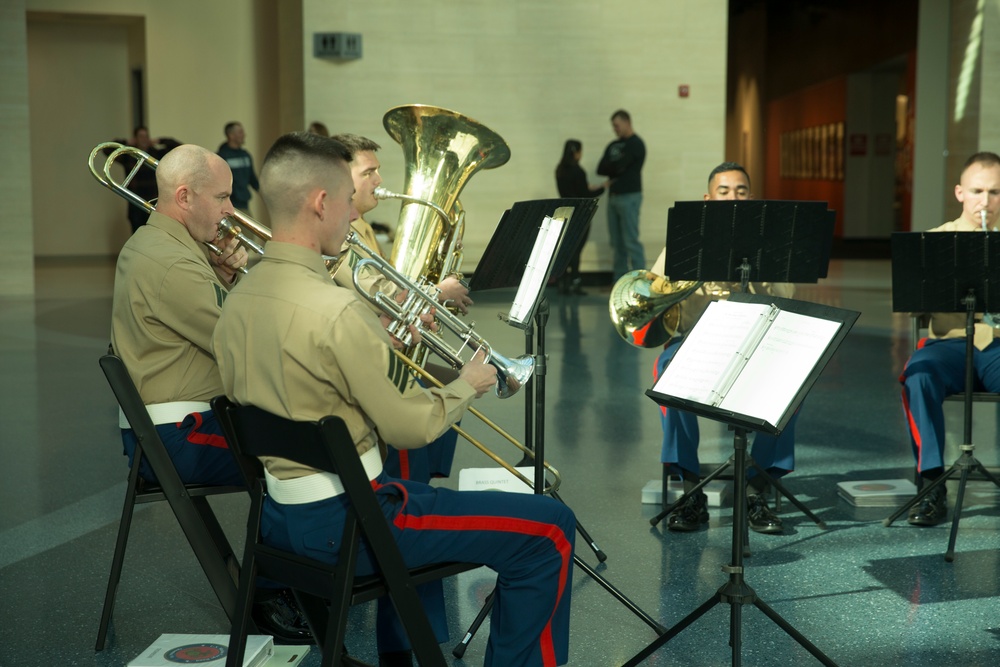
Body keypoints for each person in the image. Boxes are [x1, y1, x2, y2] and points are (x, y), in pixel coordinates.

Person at [212, 132, 576, 667]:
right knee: (549, 527)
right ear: (320, 203)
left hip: (276, 523)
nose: (352, 219)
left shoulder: (237, 298)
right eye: (346, 204)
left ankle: (403, 649)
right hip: (353, 524)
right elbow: (409, 427)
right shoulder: (337, 311)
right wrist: (466, 384)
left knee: (420, 488)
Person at [109, 144, 310, 643]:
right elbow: (242, 345)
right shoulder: (172, 263)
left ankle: (294, 583)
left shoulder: (167, 246)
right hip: (175, 436)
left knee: (302, 439)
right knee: (299, 455)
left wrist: (225, 275)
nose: (231, 210)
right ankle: (273, 594)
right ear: (183, 196)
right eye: (222, 198)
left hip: (182, 422)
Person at [649, 162, 796, 534]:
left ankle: (755, 489)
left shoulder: (768, 241)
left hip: (755, 344)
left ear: (751, 198)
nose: (733, 198)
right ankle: (689, 489)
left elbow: (789, 295)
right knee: (669, 372)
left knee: (793, 378)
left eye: (741, 192)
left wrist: (756, 274)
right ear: (708, 199)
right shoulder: (685, 238)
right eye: (725, 192)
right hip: (697, 343)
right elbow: (654, 292)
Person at [899, 151, 1000, 527]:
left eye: (994, 192)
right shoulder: (936, 241)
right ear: (960, 192)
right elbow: (911, 308)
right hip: (950, 345)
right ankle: (931, 485)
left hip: (999, 346)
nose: (985, 201)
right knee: (918, 376)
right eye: (977, 191)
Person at [597, 109, 646, 281]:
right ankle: (619, 282)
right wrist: (616, 166)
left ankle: (641, 283)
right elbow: (601, 168)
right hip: (613, 197)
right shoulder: (613, 145)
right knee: (617, 244)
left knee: (630, 241)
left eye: (617, 126)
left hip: (630, 196)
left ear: (627, 122)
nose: (615, 129)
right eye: (613, 126)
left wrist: (615, 166)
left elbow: (620, 166)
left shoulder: (636, 144)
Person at [105, 126, 181, 232]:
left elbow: (179, 148)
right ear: (135, 138)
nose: (144, 139)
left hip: (154, 204)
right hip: (135, 204)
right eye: (141, 136)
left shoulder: (156, 154)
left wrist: (160, 141)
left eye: (146, 136)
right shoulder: (129, 155)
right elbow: (107, 149)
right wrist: (127, 142)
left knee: (155, 236)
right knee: (138, 237)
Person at [555, 139, 606, 295]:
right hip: (580, 214)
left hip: (565, 212)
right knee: (576, 249)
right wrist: (602, 188)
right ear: (577, 152)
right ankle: (575, 282)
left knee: (566, 248)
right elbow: (585, 194)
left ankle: (562, 281)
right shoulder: (578, 171)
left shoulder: (560, 170)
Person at [217, 121, 259, 212]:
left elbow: (253, 179)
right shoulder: (222, 157)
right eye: (240, 132)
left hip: (244, 204)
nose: (244, 135)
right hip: (230, 205)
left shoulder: (246, 156)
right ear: (231, 135)